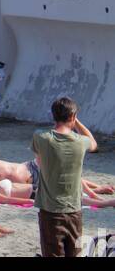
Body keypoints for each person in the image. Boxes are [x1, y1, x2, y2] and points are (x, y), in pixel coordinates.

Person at [32, 96, 97, 258]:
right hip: (74, 210)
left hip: (50, 211)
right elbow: (94, 144)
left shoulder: (41, 137)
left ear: (53, 115)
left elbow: (39, 161)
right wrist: (77, 122)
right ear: (73, 117)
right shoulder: (81, 142)